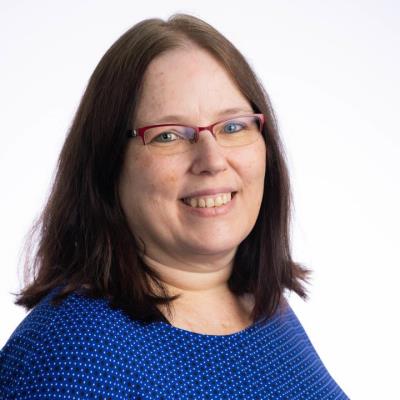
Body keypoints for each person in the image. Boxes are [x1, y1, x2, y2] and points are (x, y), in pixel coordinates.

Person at [0, 13, 348, 399]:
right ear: (107, 165)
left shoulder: (266, 311)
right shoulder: (73, 359)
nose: (212, 160)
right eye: (168, 135)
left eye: (233, 126)